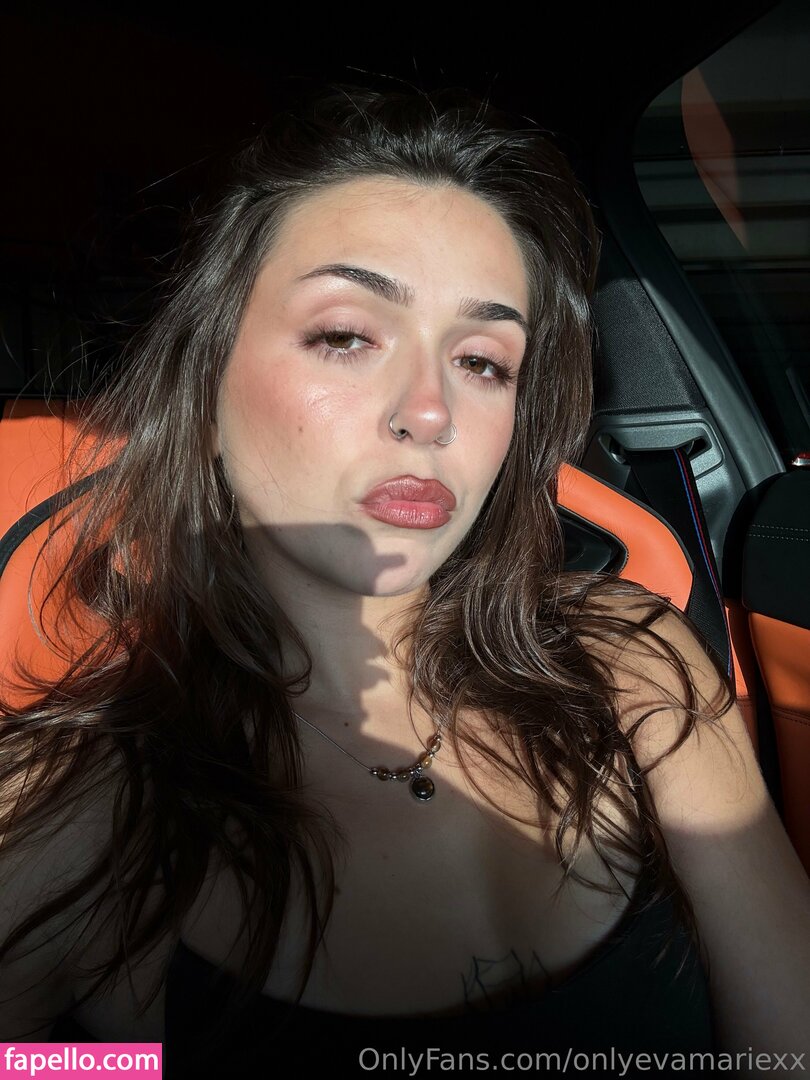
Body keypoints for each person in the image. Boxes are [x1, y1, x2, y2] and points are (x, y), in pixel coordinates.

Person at [1, 79, 808, 1079]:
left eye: (483, 361)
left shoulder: (638, 666)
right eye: (345, 335)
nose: (431, 412)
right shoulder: (71, 815)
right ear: (203, 384)